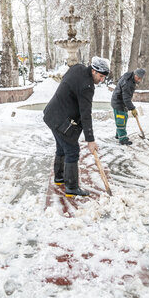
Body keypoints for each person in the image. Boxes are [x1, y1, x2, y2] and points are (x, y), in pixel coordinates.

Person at [43, 56, 110, 197]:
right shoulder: (87, 86)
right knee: (72, 150)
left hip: (51, 114)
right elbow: (86, 114)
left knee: (62, 147)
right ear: (93, 71)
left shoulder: (77, 68)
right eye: (101, 76)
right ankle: (71, 187)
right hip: (60, 120)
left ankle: (59, 178)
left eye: (104, 77)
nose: (101, 80)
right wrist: (90, 140)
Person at [111, 68, 145, 145]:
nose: (139, 80)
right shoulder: (128, 83)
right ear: (135, 74)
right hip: (119, 103)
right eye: (138, 77)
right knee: (121, 121)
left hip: (119, 102)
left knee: (123, 118)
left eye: (140, 78)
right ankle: (122, 139)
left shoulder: (129, 76)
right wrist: (132, 108)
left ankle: (118, 135)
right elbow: (126, 98)